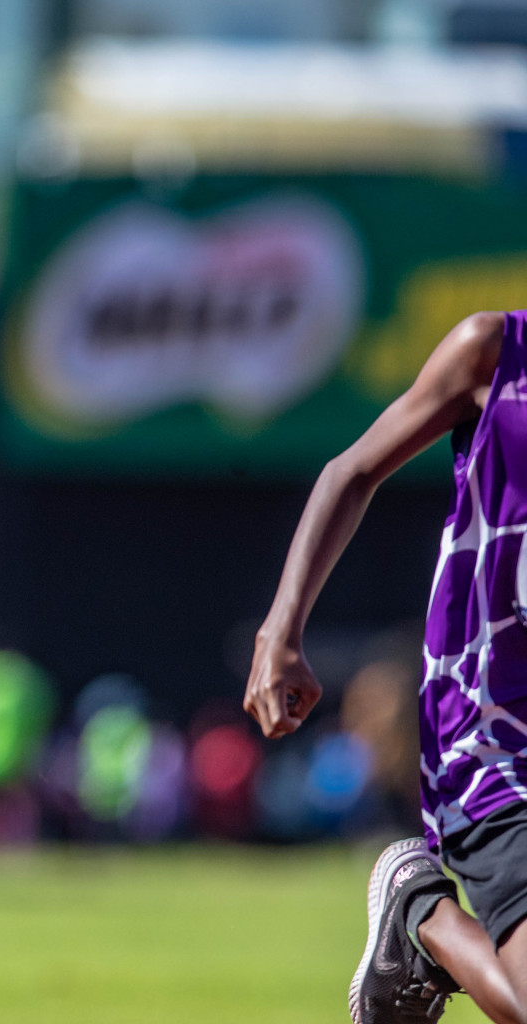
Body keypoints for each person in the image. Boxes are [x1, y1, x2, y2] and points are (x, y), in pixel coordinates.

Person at [244, 308, 527, 1024]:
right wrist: (280, 629)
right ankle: (422, 914)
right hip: (495, 725)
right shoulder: (495, 353)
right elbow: (354, 468)